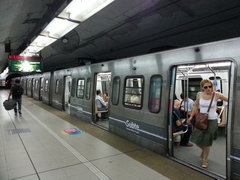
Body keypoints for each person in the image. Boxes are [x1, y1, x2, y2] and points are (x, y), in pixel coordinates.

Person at [188, 79, 228, 168]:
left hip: (212, 120)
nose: (208, 88)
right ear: (202, 88)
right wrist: (191, 117)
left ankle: (205, 160)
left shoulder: (216, 95)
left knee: (207, 141)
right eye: (206, 87)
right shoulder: (199, 94)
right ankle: (204, 151)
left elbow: (230, 100)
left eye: (210, 86)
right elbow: (195, 105)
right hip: (201, 120)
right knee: (195, 139)